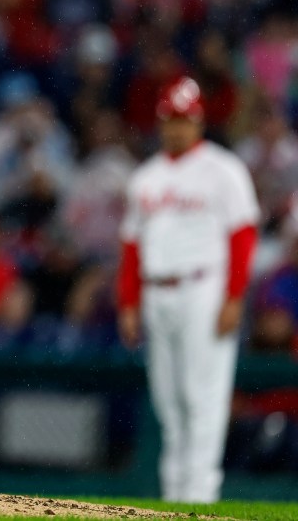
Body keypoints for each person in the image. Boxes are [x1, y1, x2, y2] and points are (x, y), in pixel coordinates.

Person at [117, 77, 259, 502]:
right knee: (168, 401)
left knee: (203, 397)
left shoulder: (223, 169)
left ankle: (199, 497)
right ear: (160, 122)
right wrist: (129, 303)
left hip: (204, 288)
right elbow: (131, 247)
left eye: (185, 120)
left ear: (198, 121)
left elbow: (243, 238)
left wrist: (234, 297)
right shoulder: (146, 177)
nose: (177, 128)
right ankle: (173, 496)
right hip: (157, 291)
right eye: (171, 120)